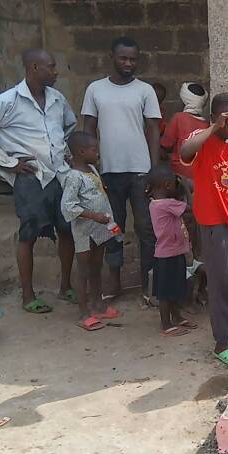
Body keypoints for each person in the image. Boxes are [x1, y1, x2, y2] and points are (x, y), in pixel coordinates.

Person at [0, 48, 77, 314]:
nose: (56, 71)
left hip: (60, 174)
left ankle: (66, 287)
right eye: (51, 66)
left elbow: (69, 125)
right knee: (29, 235)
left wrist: (64, 152)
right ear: (34, 67)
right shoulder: (7, 101)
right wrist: (8, 163)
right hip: (31, 176)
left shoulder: (57, 99)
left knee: (67, 230)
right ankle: (28, 295)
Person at [180, 93, 228, 366]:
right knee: (221, 281)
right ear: (214, 117)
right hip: (213, 221)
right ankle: (222, 342)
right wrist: (215, 127)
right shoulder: (203, 139)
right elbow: (185, 151)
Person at [82, 37, 161, 305]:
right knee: (112, 227)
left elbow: (153, 129)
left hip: (140, 171)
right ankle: (114, 283)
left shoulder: (145, 90)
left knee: (146, 228)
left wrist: (152, 169)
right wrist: (91, 167)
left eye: (133, 59)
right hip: (108, 171)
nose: (128, 63)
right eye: (123, 58)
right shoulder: (95, 89)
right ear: (112, 57)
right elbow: (88, 128)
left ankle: (149, 283)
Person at [60, 132, 120, 330]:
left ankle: (98, 304)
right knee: (84, 270)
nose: (98, 153)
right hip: (85, 231)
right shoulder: (73, 177)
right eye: (94, 150)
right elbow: (68, 206)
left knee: (96, 266)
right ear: (81, 152)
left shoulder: (92, 169)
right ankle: (83, 312)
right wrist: (94, 215)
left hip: (99, 230)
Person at [146, 165, 196, 337]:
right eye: (174, 184)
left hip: (171, 253)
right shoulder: (168, 204)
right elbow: (193, 208)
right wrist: (187, 189)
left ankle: (176, 317)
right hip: (168, 255)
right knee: (166, 292)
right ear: (167, 185)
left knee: (172, 289)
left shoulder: (156, 203)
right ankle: (166, 324)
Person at [161, 82, 210, 181]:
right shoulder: (207, 125)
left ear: (184, 102)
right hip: (201, 176)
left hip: (180, 176)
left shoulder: (179, 118)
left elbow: (165, 145)